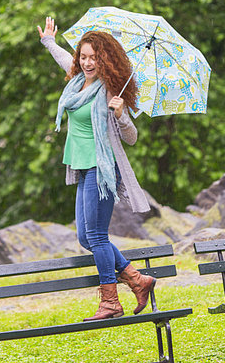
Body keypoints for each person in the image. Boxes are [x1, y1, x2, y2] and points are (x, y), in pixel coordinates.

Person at [37, 16, 155, 321]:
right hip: (82, 166)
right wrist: (49, 41)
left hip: (102, 169)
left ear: (105, 59)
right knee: (85, 239)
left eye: (94, 57)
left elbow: (131, 138)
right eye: (84, 57)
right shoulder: (78, 81)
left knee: (97, 236)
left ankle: (110, 302)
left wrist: (121, 115)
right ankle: (136, 279)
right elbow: (66, 58)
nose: (88, 63)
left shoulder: (110, 90)